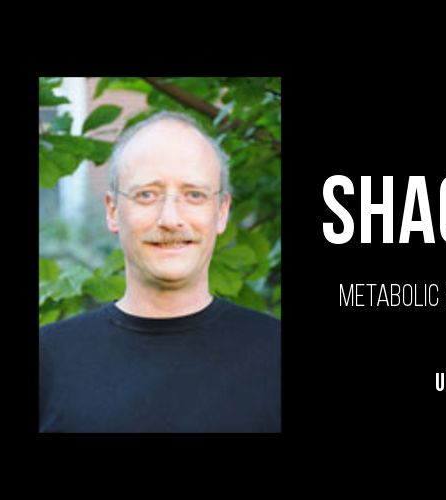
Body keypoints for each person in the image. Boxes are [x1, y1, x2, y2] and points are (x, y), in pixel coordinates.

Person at [39, 111, 280, 433]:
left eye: (194, 194)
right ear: (113, 211)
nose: (170, 218)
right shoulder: (48, 359)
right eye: (147, 195)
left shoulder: (274, 354)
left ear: (221, 212)